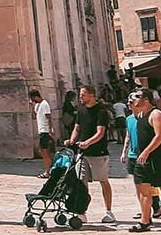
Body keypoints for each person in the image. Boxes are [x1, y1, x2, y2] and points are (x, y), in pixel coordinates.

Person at [128, 90, 161, 232]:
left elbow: (159, 136)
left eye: (137, 97)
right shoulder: (140, 115)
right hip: (142, 158)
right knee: (143, 190)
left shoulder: (156, 114)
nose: (134, 99)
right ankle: (145, 221)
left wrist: (146, 152)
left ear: (146, 99)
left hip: (156, 158)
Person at [67, 85, 115, 224]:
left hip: (98, 152)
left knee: (103, 181)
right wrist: (72, 140)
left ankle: (109, 211)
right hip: (82, 153)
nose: (80, 97)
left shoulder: (101, 112)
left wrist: (88, 142)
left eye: (83, 94)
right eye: (80, 94)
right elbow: (77, 128)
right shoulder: (81, 110)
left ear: (91, 95)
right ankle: (82, 212)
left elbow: (100, 132)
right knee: (81, 182)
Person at [122, 95, 161, 223]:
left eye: (132, 101)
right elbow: (128, 136)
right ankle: (145, 212)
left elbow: (159, 136)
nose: (129, 104)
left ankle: (157, 208)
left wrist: (148, 151)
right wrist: (124, 152)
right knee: (139, 186)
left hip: (147, 155)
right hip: (133, 155)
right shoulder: (129, 119)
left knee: (152, 185)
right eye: (129, 102)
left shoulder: (147, 117)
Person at [30, 89, 54, 177]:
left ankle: (47, 171)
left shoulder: (45, 104)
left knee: (44, 151)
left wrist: (51, 129)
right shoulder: (37, 105)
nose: (33, 101)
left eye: (33, 99)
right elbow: (34, 117)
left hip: (45, 131)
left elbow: (49, 117)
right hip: (41, 131)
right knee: (43, 151)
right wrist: (32, 106)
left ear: (36, 96)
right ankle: (49, 168)